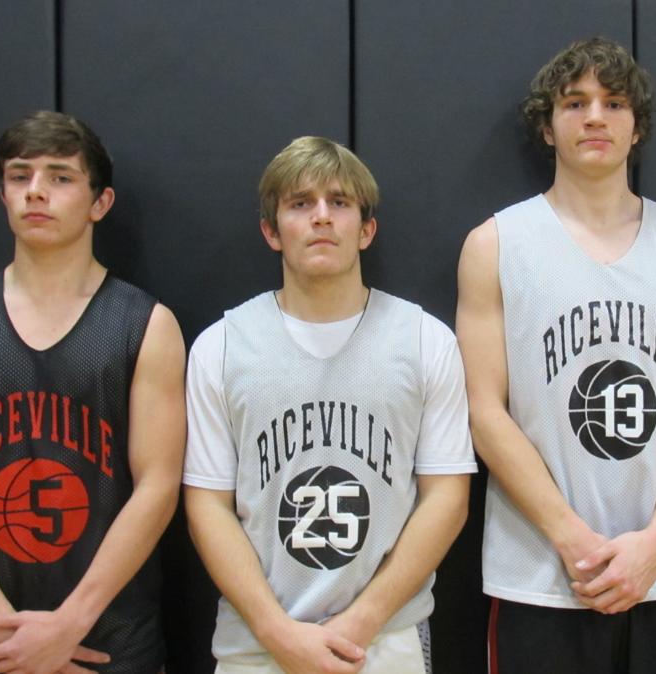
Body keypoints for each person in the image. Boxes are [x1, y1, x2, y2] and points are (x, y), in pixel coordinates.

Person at [456, 37, 656, 672]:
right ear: (547, 128)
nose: (596, 117)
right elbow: (483, 411)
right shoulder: (497, 243)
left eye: (614, 102)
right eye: (575, 103)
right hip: (542, 575)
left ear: (638, 127)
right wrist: (571, 538)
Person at [0, 111, 187, 674]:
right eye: (20, 175)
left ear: (99, 202)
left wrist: (67, 627)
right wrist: (6, 634)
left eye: (60, 177)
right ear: (3, 193)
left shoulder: (146, 325)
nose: (37, 191)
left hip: (107, 644)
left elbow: (157, 487)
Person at [182, 136, 475, 674]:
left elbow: (447, 498)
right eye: (300, 204)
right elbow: (206, 505)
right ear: (272, 231)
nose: (321, 218)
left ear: (366, 230)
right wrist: (278, 632)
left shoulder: (426, 341)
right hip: (256, 643)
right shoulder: (219, 346)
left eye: (339, 203)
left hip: (385, 641)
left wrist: (361, 621)